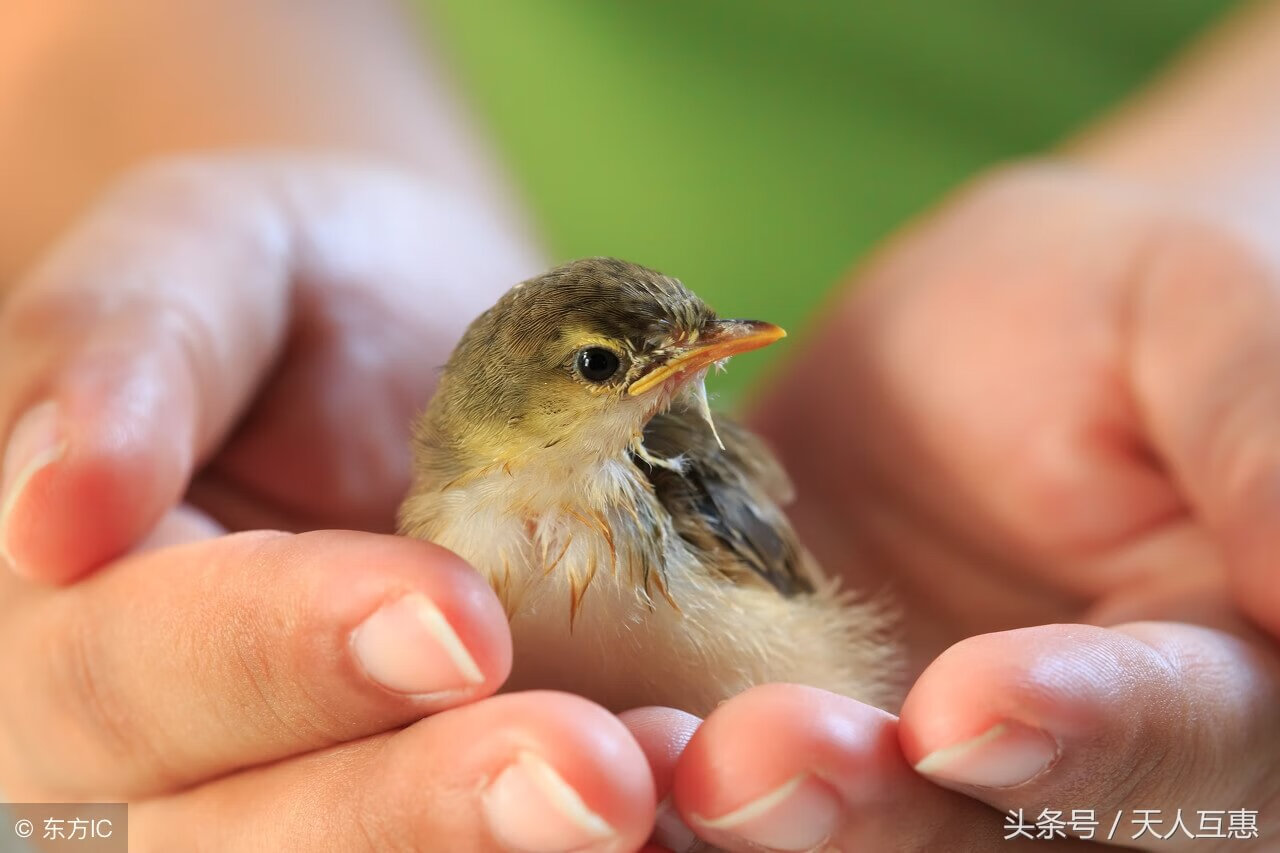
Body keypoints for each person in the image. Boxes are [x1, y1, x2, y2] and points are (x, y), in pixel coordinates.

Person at [1, 1, 1277, 849]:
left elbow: (807, 633)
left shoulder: (681, 480)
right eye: (614, 365)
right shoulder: (436, 525)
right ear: (522, 398)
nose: (680, 378)